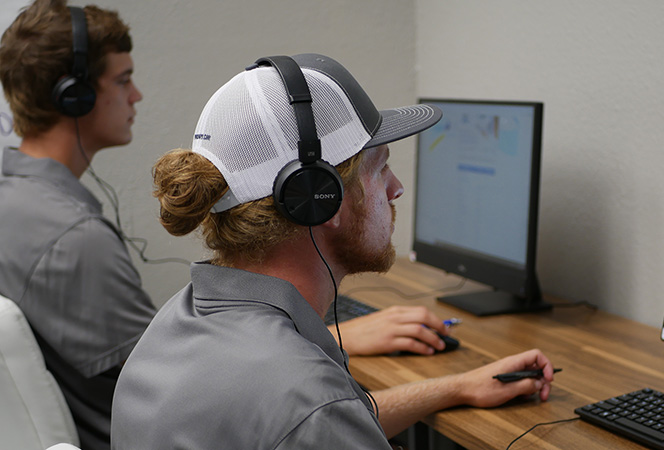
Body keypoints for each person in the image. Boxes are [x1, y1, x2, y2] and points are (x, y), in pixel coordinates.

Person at [110, 53, 554, 449]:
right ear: (318, 198)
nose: (397, 189)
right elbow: (317, 416)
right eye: (380, 170)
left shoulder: (176, 322)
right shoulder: (308, 400)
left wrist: (454, 388)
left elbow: (317, 420)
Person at [0, 2, 155, 449]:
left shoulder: (15, 205)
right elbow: (179, 379)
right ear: (75, 95)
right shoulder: (74, 238)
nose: (136, 96)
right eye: (123, 80)